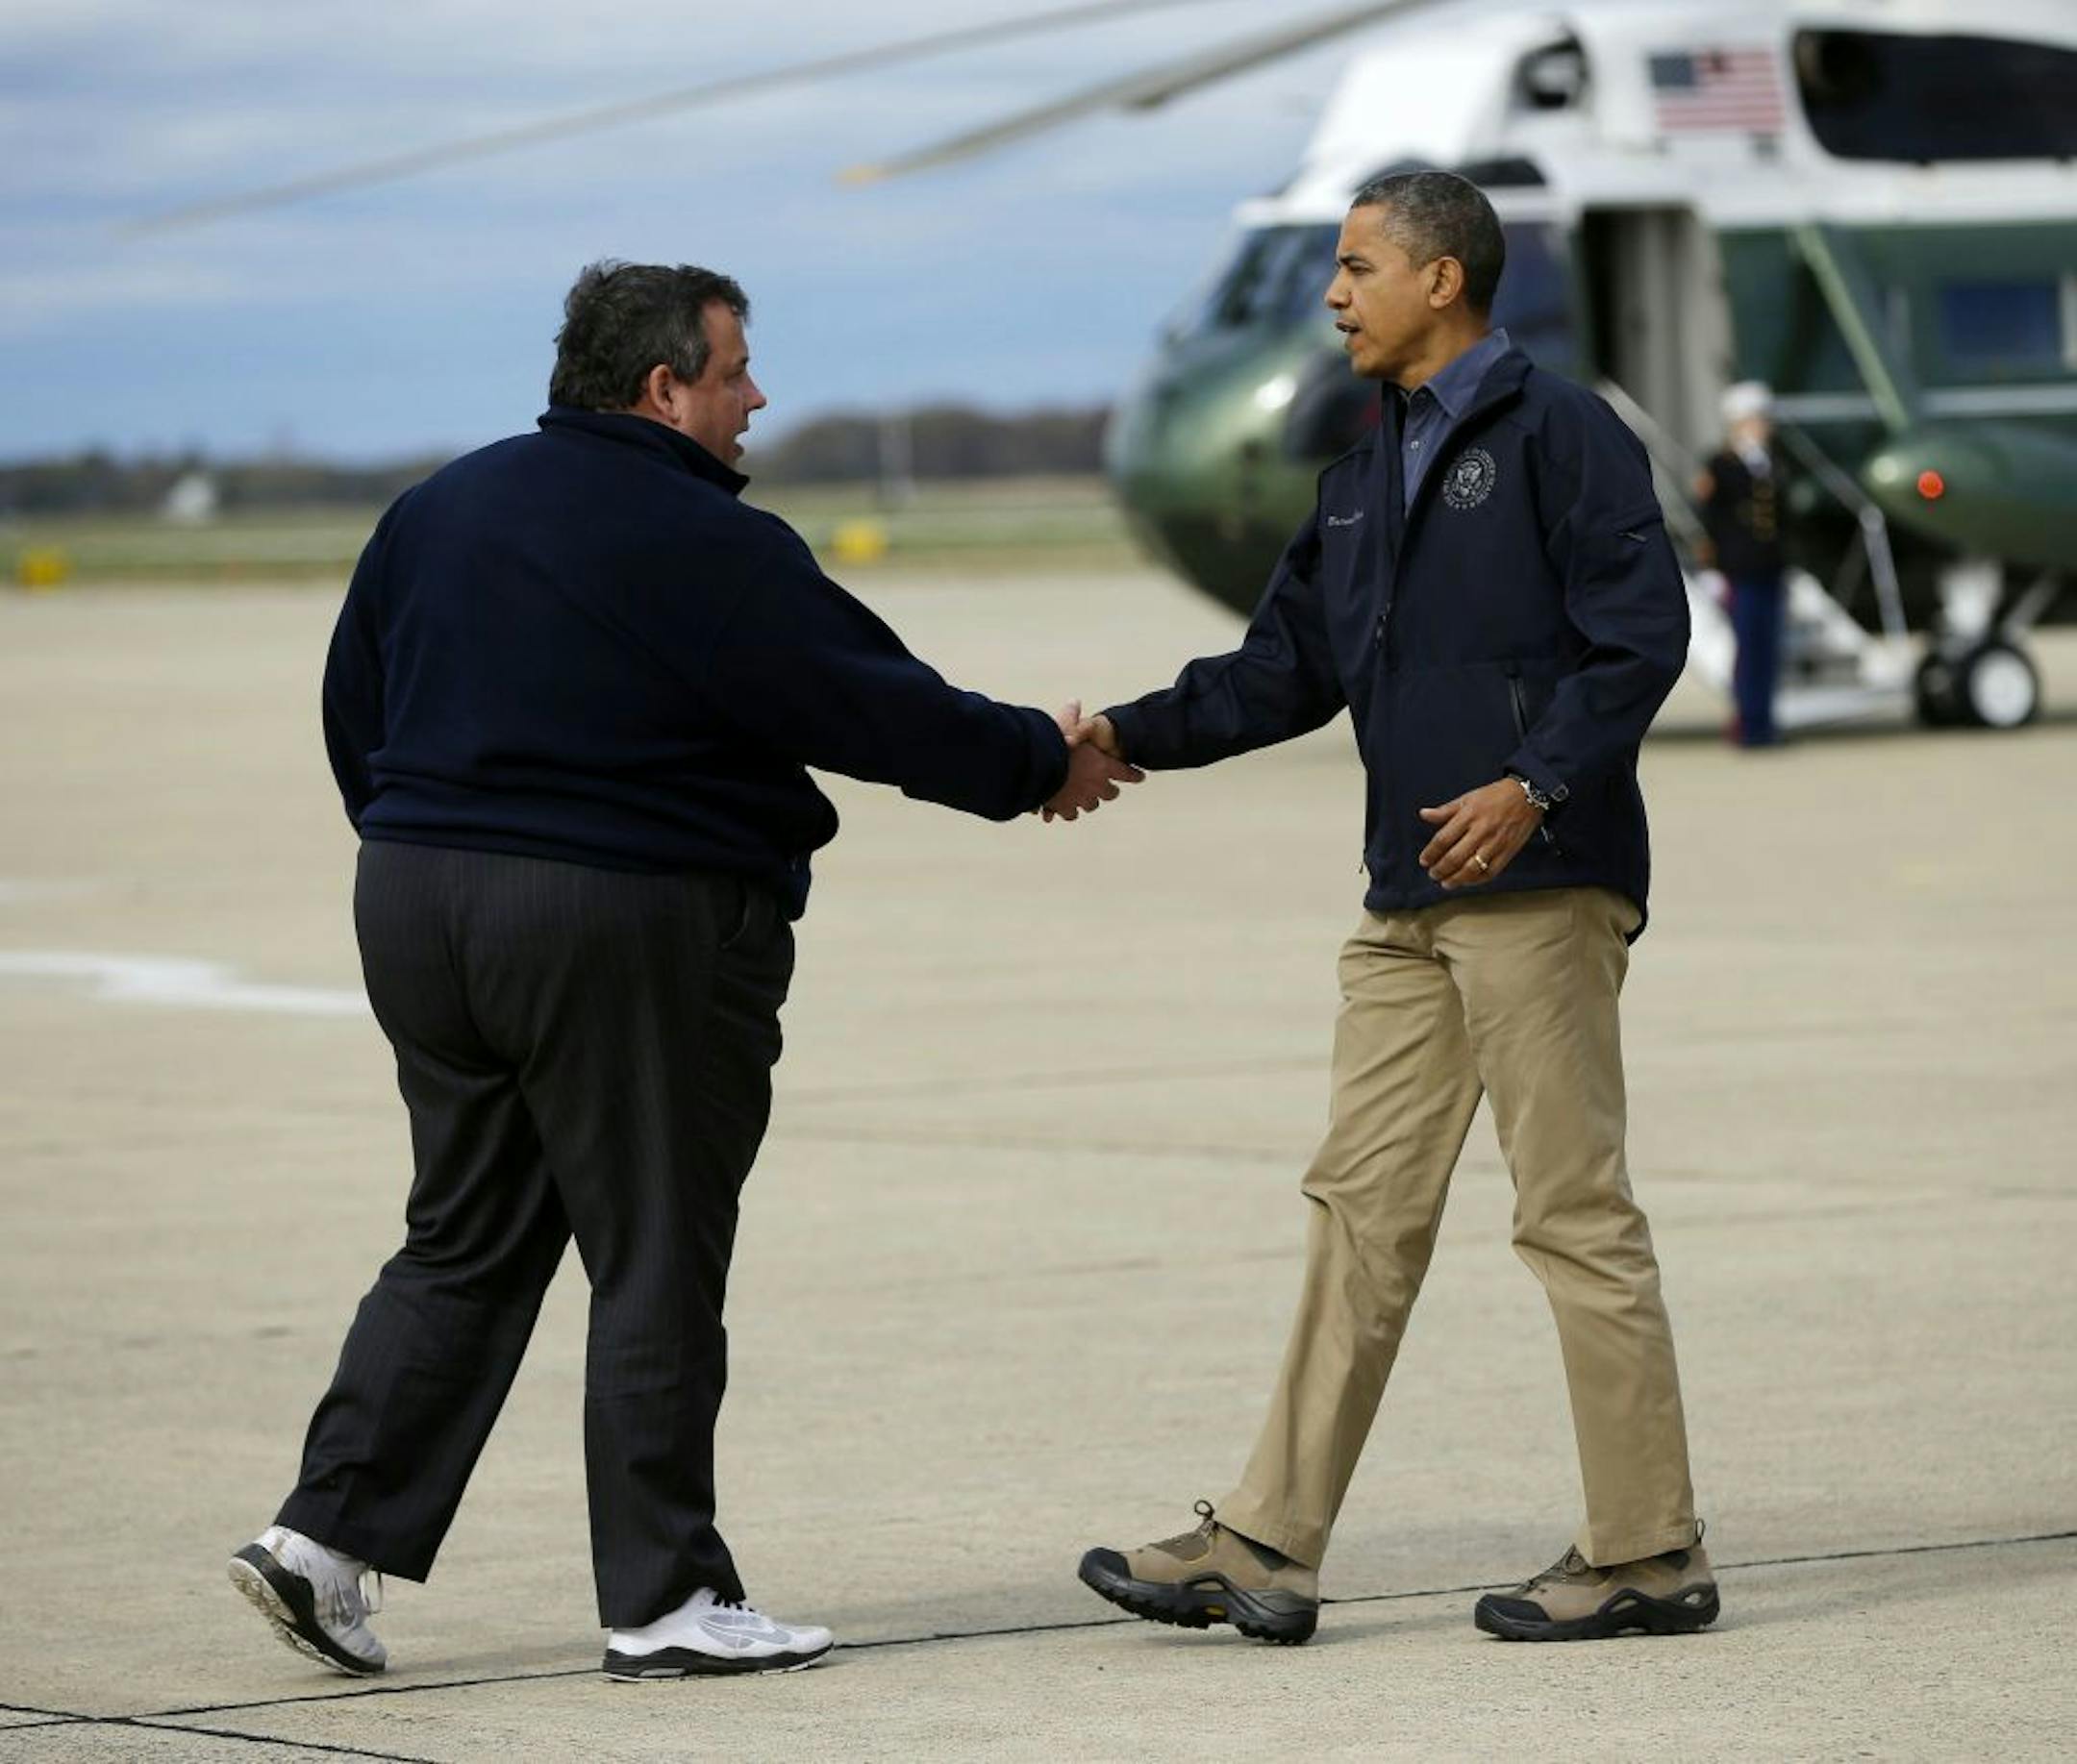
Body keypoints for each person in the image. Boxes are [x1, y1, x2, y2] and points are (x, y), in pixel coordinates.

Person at [227, 260, 1139, 1682]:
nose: (757, 395)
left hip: (416, 898)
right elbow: (863, 699)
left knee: (463, 1233)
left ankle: (322, 1539)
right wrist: (1038, 758)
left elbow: (358, 708)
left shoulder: (436, 509)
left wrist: (445, 844)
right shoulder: (700, 536)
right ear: (665, 387)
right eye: (736, 370)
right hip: (618, 917)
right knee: (654, 1241)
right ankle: (664, 1594)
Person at [1073, 171, 1714, 1645]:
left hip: (1538, 883)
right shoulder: (1362, 469)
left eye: (1357, 266)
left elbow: (1643, 633)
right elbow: (1272, 676)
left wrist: (1535, 784)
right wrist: (1103, 733)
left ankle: (1650, 1548)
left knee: (1570, 1214)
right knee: (1358, 1211)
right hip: (1406, 895)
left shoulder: (1563, 434)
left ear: (1445, 280)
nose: (1333, 294)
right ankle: (1268, 1543)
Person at [1696, 381, 1788, 747]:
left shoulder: (1772, 462)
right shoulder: (1722, 464)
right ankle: (1748, 724)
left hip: (1770, 566)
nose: (1763, 426)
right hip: (1739, 568)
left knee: (1769, 648)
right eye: (1756, 419)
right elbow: (1711, 518)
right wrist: (1714, 568)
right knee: (1747, 648)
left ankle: (1765, 721)